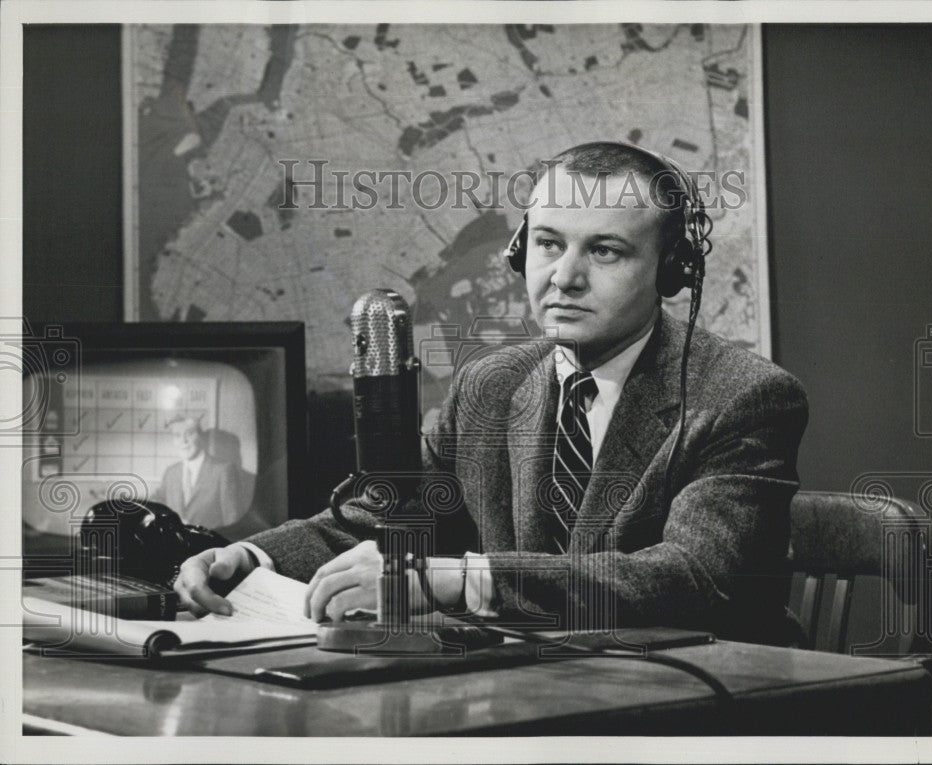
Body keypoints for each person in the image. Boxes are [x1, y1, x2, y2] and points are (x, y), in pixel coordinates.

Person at [175, 142, 808, 644]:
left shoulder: (743, 397)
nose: (565, 276)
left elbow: (692, 578)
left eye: (606, 251)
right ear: (519, 250)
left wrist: (461, 578)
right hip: (527, 691)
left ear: (671, 270)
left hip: (699, 709)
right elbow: (385, 518)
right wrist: (251, 557)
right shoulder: (492, 384)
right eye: (548, 244)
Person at [154, 415, 244, 529]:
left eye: (189, 434)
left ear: (201, 437)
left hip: (210, 545)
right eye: (177, 436)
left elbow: (232, 519)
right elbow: (156, 502)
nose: (183, 441)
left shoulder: (223, 470)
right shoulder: (171, 473)